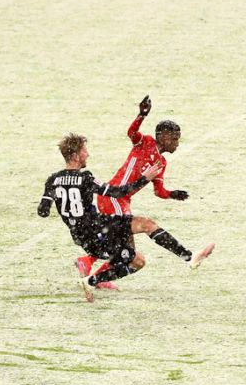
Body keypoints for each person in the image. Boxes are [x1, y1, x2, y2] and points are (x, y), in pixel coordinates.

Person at [38, 133, 214, 303]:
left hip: (83, 233)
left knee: (141, 247)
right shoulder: (86, 178)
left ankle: (189, 258)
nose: (87, 154)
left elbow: (43, 211)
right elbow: (118, 192)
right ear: (76, 156)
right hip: (97, 230)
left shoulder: (52, 180)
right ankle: (189, 258)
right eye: (84, 151)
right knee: (134, 256)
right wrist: (145, 178)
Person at [75, 95, 190, 290]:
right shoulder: (145, 142)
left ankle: (95, 274)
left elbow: (159, 191)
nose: (177, 143)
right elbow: (132, 132)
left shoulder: (161, 163)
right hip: (113, 196)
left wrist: (172, 194)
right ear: (162, 136)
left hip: (123, 201)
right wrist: (141, 115)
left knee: (128, 249)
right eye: (174, 138)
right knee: (126, 246)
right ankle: (89, 263)